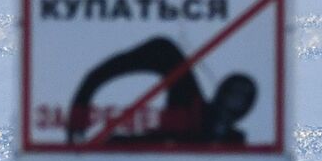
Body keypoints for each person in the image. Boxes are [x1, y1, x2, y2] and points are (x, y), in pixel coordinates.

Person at [66, 36, 256, 145]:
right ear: (220, 90)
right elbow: (164, 51)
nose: (234, 97)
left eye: (242, 96)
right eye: (232, 90)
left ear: (246, 107)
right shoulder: (190, 102)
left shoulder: (235, 143)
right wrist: (80, 110)